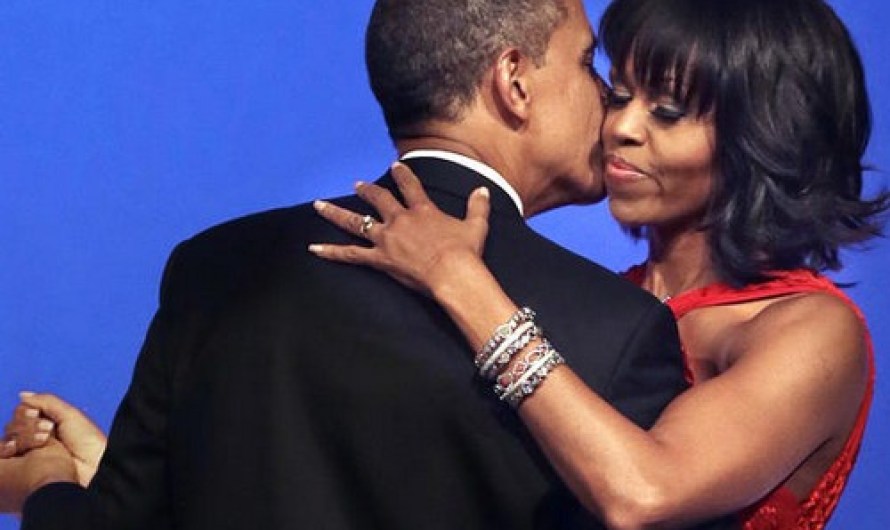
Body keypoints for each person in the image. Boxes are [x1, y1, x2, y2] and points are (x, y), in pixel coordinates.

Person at [0, 0, 736, 528]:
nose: (606, 98)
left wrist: (48, 487)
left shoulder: (211, 269)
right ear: (514, 81)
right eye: (586, 64)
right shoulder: (618, 331)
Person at [308, 0, 889, 528]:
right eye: (617, 94)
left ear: (765, 135)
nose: (621, 129)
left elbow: (642, 494)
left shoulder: (811, 331)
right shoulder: (607, 307)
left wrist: (459, 280)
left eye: (666, 111)